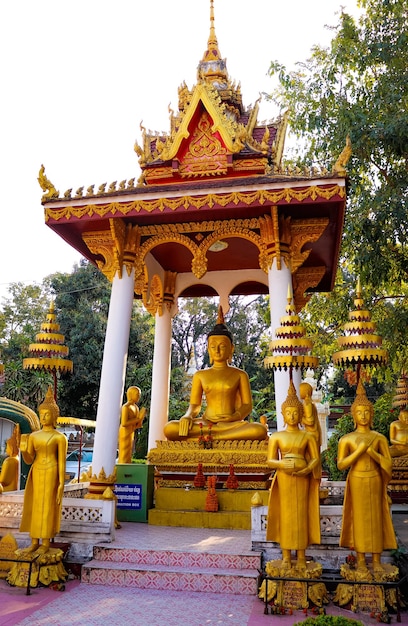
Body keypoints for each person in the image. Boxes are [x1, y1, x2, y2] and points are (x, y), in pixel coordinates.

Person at [163, 307, 267, 442]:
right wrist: (188, 416)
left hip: (231, 424)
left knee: (258, 430)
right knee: (170, 428)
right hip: (206, 423)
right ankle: (216, 437)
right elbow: (195, 405)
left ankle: (207, 438)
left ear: (231, 349)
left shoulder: (240, 374)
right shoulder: (200, 375)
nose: (217, 350)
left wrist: (235, 417)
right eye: (213, 346)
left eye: (222, 346)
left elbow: (247, 405)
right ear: (208, 349)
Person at [337, 380, 397, 572]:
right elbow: (341, 464)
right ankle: (361, 559)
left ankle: (377, 560)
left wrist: (372, 453)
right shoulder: (347, 439)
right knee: (360, 519)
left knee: (376, 517)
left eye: (366, 412)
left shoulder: (379, 437)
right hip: (356, 479)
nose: (363, 415)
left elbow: (388, 463)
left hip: (375, 479)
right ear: (353, 415)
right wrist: (358, 452)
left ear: (371, 415)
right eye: (359, 412)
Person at [266, 381, 321, 569]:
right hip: (284, 477)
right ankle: (286, 556)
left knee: (301, 513)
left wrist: (307, 469)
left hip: (302, 477)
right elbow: (270, 461)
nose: (292, 415)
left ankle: (301, 556)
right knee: (286, 514)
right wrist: (281, 464)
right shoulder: (276, 437)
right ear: (283, 414)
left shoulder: (307, 436)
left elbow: (315, 458)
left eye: (296, 412)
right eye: (289, 412)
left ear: (300, 414)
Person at [19, 387, 67, 554]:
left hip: (52, 470)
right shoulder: (34, 436)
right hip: (37, 470)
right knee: (35, 505)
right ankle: (34, 541)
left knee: (47, 506)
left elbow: (62, 462)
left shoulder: (60, 438)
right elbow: (28, 459)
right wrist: (23, 448)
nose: (43, 417)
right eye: (42, 414)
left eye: (47, 414)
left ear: (54, 416)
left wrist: (62, 483)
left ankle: (45, 542)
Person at [118, 386, 146, 464]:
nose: (139, 397)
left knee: (129, 452)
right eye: (137, 395)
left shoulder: (136, 407)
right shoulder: (126, 407)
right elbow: (124, 423)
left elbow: (137, 424)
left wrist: (141, 419)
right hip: (125, 432)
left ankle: (127, 466)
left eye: (139, 395)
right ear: (131, 394)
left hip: (131, 431)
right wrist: (138, 419)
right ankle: (123, 468)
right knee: (124, 452)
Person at [0, 426, 20, 493]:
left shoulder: (9, 461)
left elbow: (3, 480)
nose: (6, 449)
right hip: (14, 488)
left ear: (11, 448)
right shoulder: (17, 459)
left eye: (7, 447)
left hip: (6, 489)